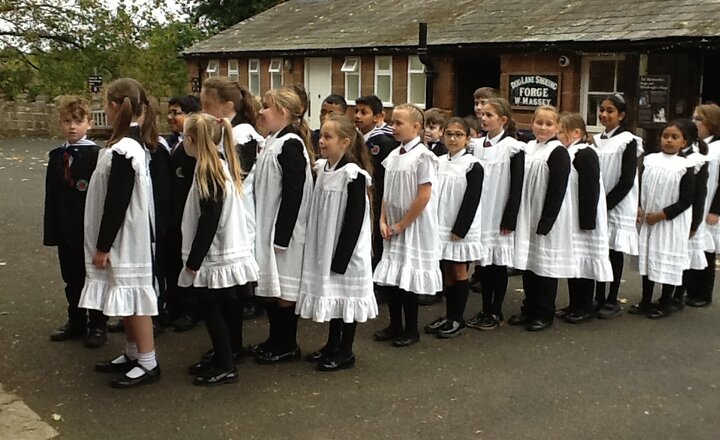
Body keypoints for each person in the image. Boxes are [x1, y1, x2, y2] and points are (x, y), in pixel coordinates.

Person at [80, 78, 160, 388]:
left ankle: (148, 361)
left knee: (134, 297)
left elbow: (117, 202)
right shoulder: (128, 143)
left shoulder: (126, 149)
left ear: (113, 107)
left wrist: (103, 245)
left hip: (126, 238)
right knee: (122, 293)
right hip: (124, 237)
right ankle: (132, 353)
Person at [177, 113, 259, 385]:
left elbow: (209, 218)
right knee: (226, 307)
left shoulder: (208, 170)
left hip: (215, 254)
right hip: (227, 249)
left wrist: (194, 261)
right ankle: (228, 354)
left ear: (190, 140)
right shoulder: (220, 164)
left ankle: (226, 364)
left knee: (211, 310)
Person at [297, 114, 378, 371]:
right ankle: (332, 344)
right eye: (321, 135)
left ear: (345, 142)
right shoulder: (322, 170)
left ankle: (346, 351)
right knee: (334, 297)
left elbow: (354, 220)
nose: (321, 141)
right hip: (325, 245)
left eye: (328, 137)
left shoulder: (353, 175)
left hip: (346, 250)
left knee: (346, 298)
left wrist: (341, 257)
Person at [252, 86, 314, 364]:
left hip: (284, 230)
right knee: (273, 289)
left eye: (266, 106)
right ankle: (275, 339)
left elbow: (294, 193)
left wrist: (282, 235)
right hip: (269, 225)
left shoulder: (291, 144)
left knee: (285, 289)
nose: (261, 112)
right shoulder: (273, 141)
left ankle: (287, 343)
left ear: (283, 112)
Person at [373, 104, 442, 347]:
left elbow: (424, 196)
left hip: (412, 225)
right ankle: (394, 324)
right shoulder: (393, 156)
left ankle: (411, 329)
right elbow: (387, 193)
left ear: (416, 126)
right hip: (392, 225)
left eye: (399, 123)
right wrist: (383, 219)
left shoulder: (424, 157)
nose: (394, 127)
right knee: (392, 277)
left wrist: (402, 224)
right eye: (392, 122)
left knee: (407, 281)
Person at [44, 95, 107, 348]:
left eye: (78, 121)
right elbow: (51, 195)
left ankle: (98, 324)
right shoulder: (57, 156)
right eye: (67, 121)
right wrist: (51, 231)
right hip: (64, 227)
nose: (72, 126)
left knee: (93, 276)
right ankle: (77, 320)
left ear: (89, 124)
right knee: (71, 278)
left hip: (87, 228)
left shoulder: (96, 155)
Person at [201, 77, 265, 322]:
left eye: (207, 105)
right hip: (227, 213)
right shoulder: (225, 132)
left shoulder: (242, 134)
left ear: (227, 106)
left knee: (233, 283)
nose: (203, 111)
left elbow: (237, 176)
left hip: (239, 214)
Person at [510, 105, 573, 332]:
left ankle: (545, 311)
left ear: (557, 127)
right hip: (527, 212)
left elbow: (558, 190)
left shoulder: (558, 152)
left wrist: (547, 220)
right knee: (529, 263)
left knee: (544, 266)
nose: (543, 128)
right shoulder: (528, 148)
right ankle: (529, 307)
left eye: (548, 124)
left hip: (546, 216)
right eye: (539, 123)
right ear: (532, 123)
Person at [466, 98, 524, 330]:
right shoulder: (476, 146)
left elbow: (517, 185)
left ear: (503, 120)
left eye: (490, 115)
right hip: (482, 211)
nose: (484, 118)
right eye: (483, 114)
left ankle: (495, 311)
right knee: (484, 265)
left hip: (499, 212)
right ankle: (484, 308)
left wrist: (510, 217)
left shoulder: (513, 147)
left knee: (497, 265)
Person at [424, 117, 483, 338]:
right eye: (449, 133)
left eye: (458, 134)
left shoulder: (472, 165)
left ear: (468, 138)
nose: (452, 138)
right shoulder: (438, 161)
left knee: (459, 269)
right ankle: (448, 315)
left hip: (459, 226)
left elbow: (472, 200)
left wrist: (461, 229)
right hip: (440, 223)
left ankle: (457, 318)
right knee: (446, 269)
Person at [632, 120, 695, 318]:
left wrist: (662, 215)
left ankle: (665, 302)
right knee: (649, 258)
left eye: (674, 137)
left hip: (670, 222)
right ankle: (645, 300)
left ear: (684, 142)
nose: (668, 140)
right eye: (665, 136)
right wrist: (639, 206)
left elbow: (686, 199)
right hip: (649, 219)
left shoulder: (685, 166)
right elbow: (641, 186)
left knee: (666, 259)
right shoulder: (650, 160)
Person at [556, 113, 613, 323]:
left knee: (585, 261)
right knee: (574, 262)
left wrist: (587, 221)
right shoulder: (568, 152)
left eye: (562, 130)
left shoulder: (585, 153)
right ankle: (574, 303)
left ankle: (585, 306)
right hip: (572, 214)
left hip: (584, 217)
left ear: (576, 133)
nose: (558, 134)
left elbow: (590, 188)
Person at [593, 94, 643, 318]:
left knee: (613, 250)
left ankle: (612, 299)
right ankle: (599, 295)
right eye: (602, 110)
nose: (604, 114)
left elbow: (627, 179)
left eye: (610, 111)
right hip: (598, 203)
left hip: (616, 204)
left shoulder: (628, 141)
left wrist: (607, 204)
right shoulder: (596, 140)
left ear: (621, 115)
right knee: (599, 249)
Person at [164, 95, 202, 332]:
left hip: (187, 212)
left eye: (176, 112)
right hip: (171, 214)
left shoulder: (192, 149)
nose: (171, 117)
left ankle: (191, 309)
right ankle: (173, 305)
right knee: (171, 262)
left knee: (188, 261)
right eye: (169, 112)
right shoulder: (167, 143)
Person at [354, 95, 399, 270]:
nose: (357, 116)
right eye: (356, 111)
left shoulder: (383, 142)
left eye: (363, 112)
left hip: (377, 196)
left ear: (377, 117)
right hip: (359, 194)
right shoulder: (354, 139)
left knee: (375, 239)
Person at [672, 119, 710, 310]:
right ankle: (669, 293)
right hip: (673, 215)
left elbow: (699, 195)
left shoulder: (696, 160)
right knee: (674, 253)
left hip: (688, 216)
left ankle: (678, 296)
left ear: (686, 140)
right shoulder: (671, 156)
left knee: (685, 256)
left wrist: (695, 223)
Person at [687, 103, 720, 307]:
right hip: (697, 202)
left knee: (706, 248)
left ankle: (703, 293)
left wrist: (716, 210)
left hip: (710, 205)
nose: (694, 122)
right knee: (692, 246)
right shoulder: (696, 146)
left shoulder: (717, 148)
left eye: (698, 119)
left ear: (711, 122)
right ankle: (690, 289)